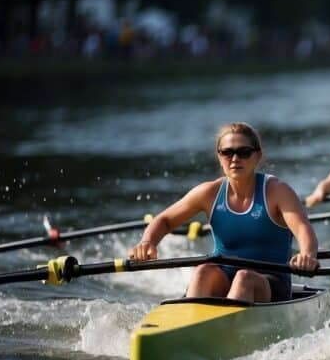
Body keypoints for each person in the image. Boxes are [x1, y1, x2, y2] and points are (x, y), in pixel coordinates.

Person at [129, 123, 319, 302]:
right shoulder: (208, 193)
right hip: (225, 277)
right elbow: (164, 220)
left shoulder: (277, 191)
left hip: (270, 282)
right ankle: (193, 320)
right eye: (227, 153)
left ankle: (221, 327)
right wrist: (147, 242)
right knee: (203, 271)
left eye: (244, 152)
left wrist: (307, 255)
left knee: (244, 278)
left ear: (257, 157)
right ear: (220, 158)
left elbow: (303, 229)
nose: (235, 159)